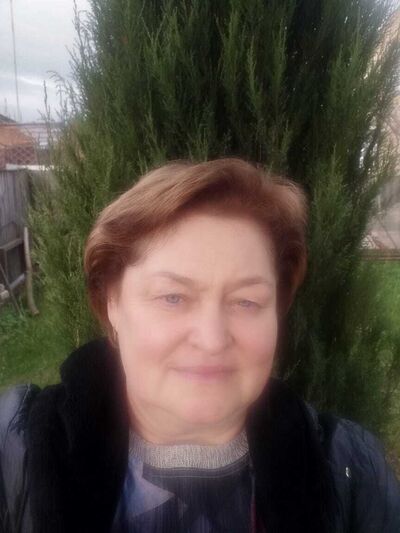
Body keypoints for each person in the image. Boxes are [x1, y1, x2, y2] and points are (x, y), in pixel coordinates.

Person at [0, 157, 399, 533]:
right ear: (112, 304)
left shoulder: (350, 469)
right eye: (173, 297)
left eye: (246, 301)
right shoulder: (16, 451)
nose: (212, 340)